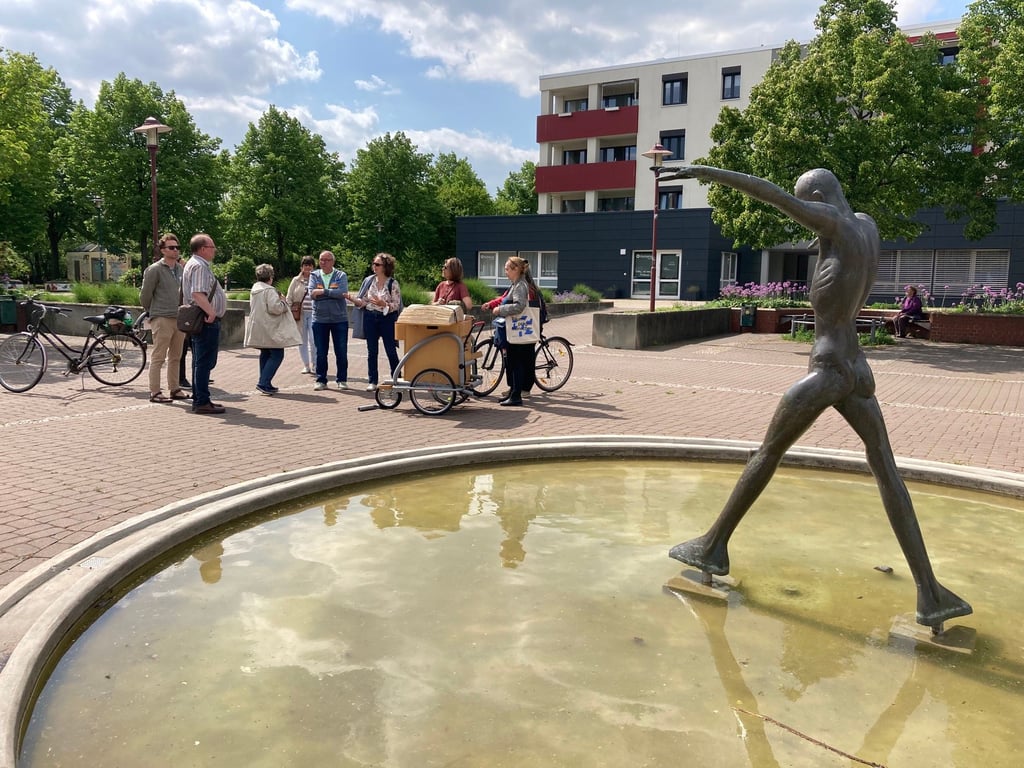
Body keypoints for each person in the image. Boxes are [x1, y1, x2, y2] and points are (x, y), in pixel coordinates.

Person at [660, 165, 971, 630]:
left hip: (828, 368)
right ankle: (930, 591)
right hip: (858, 369)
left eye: (811, 203)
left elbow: (770, 195)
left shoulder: (836, 223)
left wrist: (705, 172)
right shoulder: (865, 227)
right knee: (886, 470)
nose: (808, 215)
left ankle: (712, 546)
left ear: (822, 198)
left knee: (767, 453)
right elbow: (840, 259)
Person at [139, 233, 188, 403]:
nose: (175, 250)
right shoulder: (155, 269)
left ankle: (174, 388)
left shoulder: (182, 269)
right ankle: (155, 392)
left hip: (179, 318)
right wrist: (152, 312)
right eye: (171, 247)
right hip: (162, 317)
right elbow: (145, 294)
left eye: (177, 247)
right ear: (162, 250)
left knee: (176, 356)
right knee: (158, 356)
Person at [181, 233, 227, 414]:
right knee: (204, 361)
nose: (214, 250)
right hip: (205, 319)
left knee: (201, 361)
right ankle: (201, 401)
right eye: (212, 247)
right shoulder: (199, 266)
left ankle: (201, 398)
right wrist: (211, 312)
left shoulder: (196, 264)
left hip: (202, 318)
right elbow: (197, 293)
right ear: (202, 249)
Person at [244, 263, 302, 395]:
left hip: (259, 326)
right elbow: (275, 308)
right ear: (270, 276)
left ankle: (265, 381)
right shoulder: (269, 290)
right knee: (277, 354)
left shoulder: (255, 288)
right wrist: (282, 301)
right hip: (271, 327)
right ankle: (264, 382)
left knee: (265, 353)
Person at [347, 252, 401, 391]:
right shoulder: (369, 281)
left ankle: (397, 379)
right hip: (370, 317)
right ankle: (372, 381)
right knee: (372, 351)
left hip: (387, 319)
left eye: (377, 264)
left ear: (385, 266)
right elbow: (364, 301)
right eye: (373, 263)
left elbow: (397, 304)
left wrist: (384, 304)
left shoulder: (393, 283)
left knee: (390, 350)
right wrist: (353, 299)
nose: (374, 266)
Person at [490, 256, 538, 407]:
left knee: (516, 362)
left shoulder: (520, 286)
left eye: (507, 269)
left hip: (519, 330)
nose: (505, 272)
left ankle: (516, 396)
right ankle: (513, 393)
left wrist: (500, 310)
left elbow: (519, 306)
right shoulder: (516, 284)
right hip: (517, 330)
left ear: (516, 269)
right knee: (514, 361)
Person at [308, 250, 350, 391]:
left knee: (341, 351)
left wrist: (323, 292)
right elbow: (311, 294)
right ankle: (321, 380)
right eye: (321, 260)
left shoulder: (340, 275)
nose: (323, 263)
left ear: (333, 262)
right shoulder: (314, 275)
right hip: (319, 319)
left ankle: (342, 380)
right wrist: (329, 293)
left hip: (339, 319)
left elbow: (341, 293)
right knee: (321, 351)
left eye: (326, 260)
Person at [286, 255, 316, 373]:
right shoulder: (296, 280)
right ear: (301, 267)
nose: (308, 267)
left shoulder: (317, 278)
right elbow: (289, 297)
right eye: (305, 265)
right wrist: (288, 311)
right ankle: (306, 365)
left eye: (310, 265)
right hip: (300, 314)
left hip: (314, 313)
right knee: (302, 340)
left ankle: (315, 364)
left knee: (314, 340)